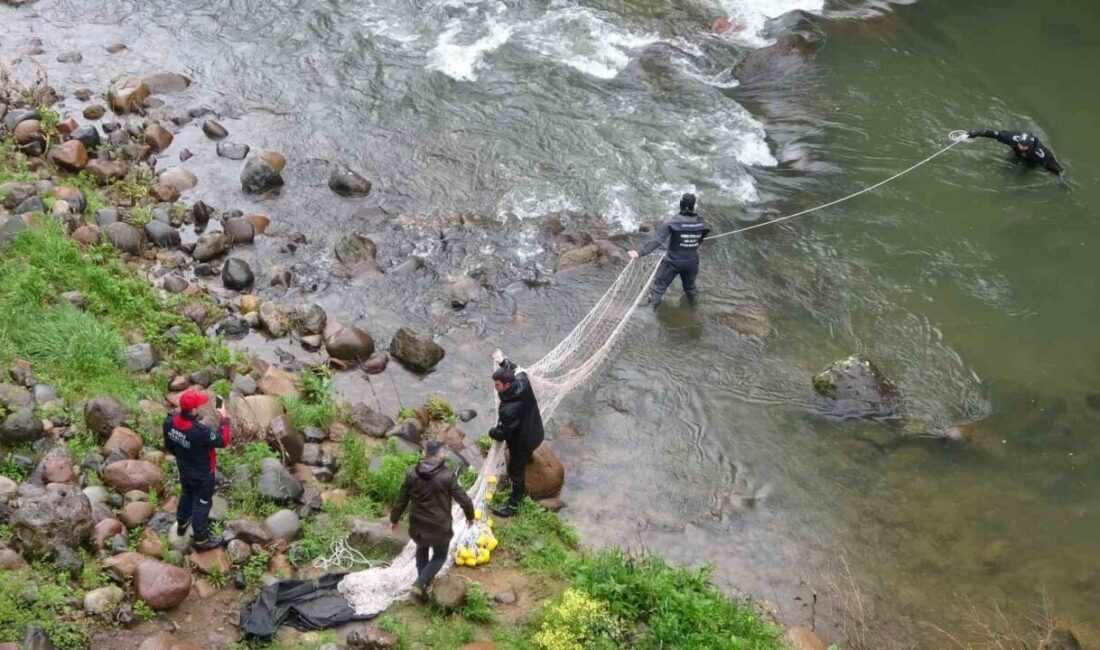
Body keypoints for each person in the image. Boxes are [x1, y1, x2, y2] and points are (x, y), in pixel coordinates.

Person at [390, 441, 475, 602]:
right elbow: (463, 499)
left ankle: (422, 589)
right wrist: (470, 516)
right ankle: (420, 583)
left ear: (425, 454)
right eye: (444, 452)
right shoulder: (447, 476)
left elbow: (401, 500)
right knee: (439, 557)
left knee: (421, 549)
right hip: (439, 528)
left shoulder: (412, 474)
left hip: (418, 526)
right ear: (440, 455)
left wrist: (394, 519)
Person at [162, 390, 230, 551]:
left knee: (187, 493)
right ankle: (201, 539)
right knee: (202, 503)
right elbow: (223, 441)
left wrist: (183, 456)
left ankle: (182, 523)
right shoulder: (199, 431)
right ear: (193, 410)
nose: (199, 407)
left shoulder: (169, 422)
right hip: (203, 474)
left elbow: (168, 446)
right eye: (198, 405)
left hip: (184, 467)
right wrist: (225, 418)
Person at [488, 352, 545, 518]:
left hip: (522, 443)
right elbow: (516, 368)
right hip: (537, 432)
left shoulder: (509, 409)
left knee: (515, 472)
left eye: (497, 384)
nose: (495, 387)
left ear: (507, 385)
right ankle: (529, 457)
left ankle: (514, 504)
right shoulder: (522, 382)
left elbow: (502, 433)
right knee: (526, 452)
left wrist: (492, 432)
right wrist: (503, 361)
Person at [628, 192, 711, 306]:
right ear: (693, 206)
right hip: (691, 262)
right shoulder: (701, 222)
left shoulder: (673, 222)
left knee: (658, 289)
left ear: (681, 204)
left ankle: (649, 313)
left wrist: (640, 253)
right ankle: (694, 309)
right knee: (690, 289)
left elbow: (657, 241)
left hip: (672, 263)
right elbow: (704, 233)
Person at [967, 129, 1064, 176]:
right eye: (1020, 143)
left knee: (1020, 173)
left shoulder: (1040, 153)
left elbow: (1055, 167)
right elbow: (994, 134)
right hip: (1017, 154)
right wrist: (975, 133)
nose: (1021, 146)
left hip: (1031, 160)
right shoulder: (1012, 138)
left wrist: (1061, 178)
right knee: (1006, 169)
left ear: (1030, 145)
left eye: (1024, 145)